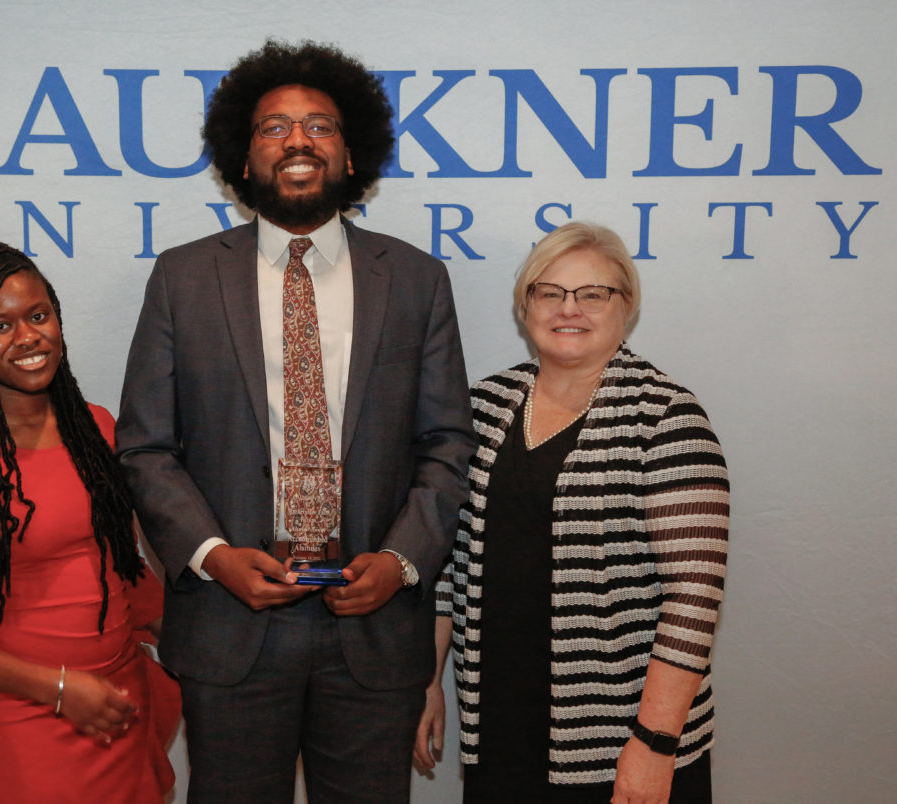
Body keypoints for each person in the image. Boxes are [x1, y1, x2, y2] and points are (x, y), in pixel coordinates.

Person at [116, 40, 475, 803]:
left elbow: (446, 444)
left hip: (371, 622)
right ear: (242, 162)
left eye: (320, 125)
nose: (299, 141)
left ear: (352, 154)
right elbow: (146, 447)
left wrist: (401, 562)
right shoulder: (183, 278)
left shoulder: (415, 279)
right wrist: (214, 556)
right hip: (232, 621)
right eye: (274, 128)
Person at [416, 221, 729, 803]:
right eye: (549, 291)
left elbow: (693, 601)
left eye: (593, 294)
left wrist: (654, 742)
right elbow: (444, 572)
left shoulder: (666, 417)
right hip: (501, 728)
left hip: (619, 742)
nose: (570, 309)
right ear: (526, 305)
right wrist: (427, 683)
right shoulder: (481, 407)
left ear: (625, 306)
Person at [0, 243, 180, 803]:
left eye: (38, 315)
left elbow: (123, 568)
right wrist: (57, 689)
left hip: (117, 703)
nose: (27, 337)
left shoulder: (97, 427)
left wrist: (202, 640)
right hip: (21, 716)